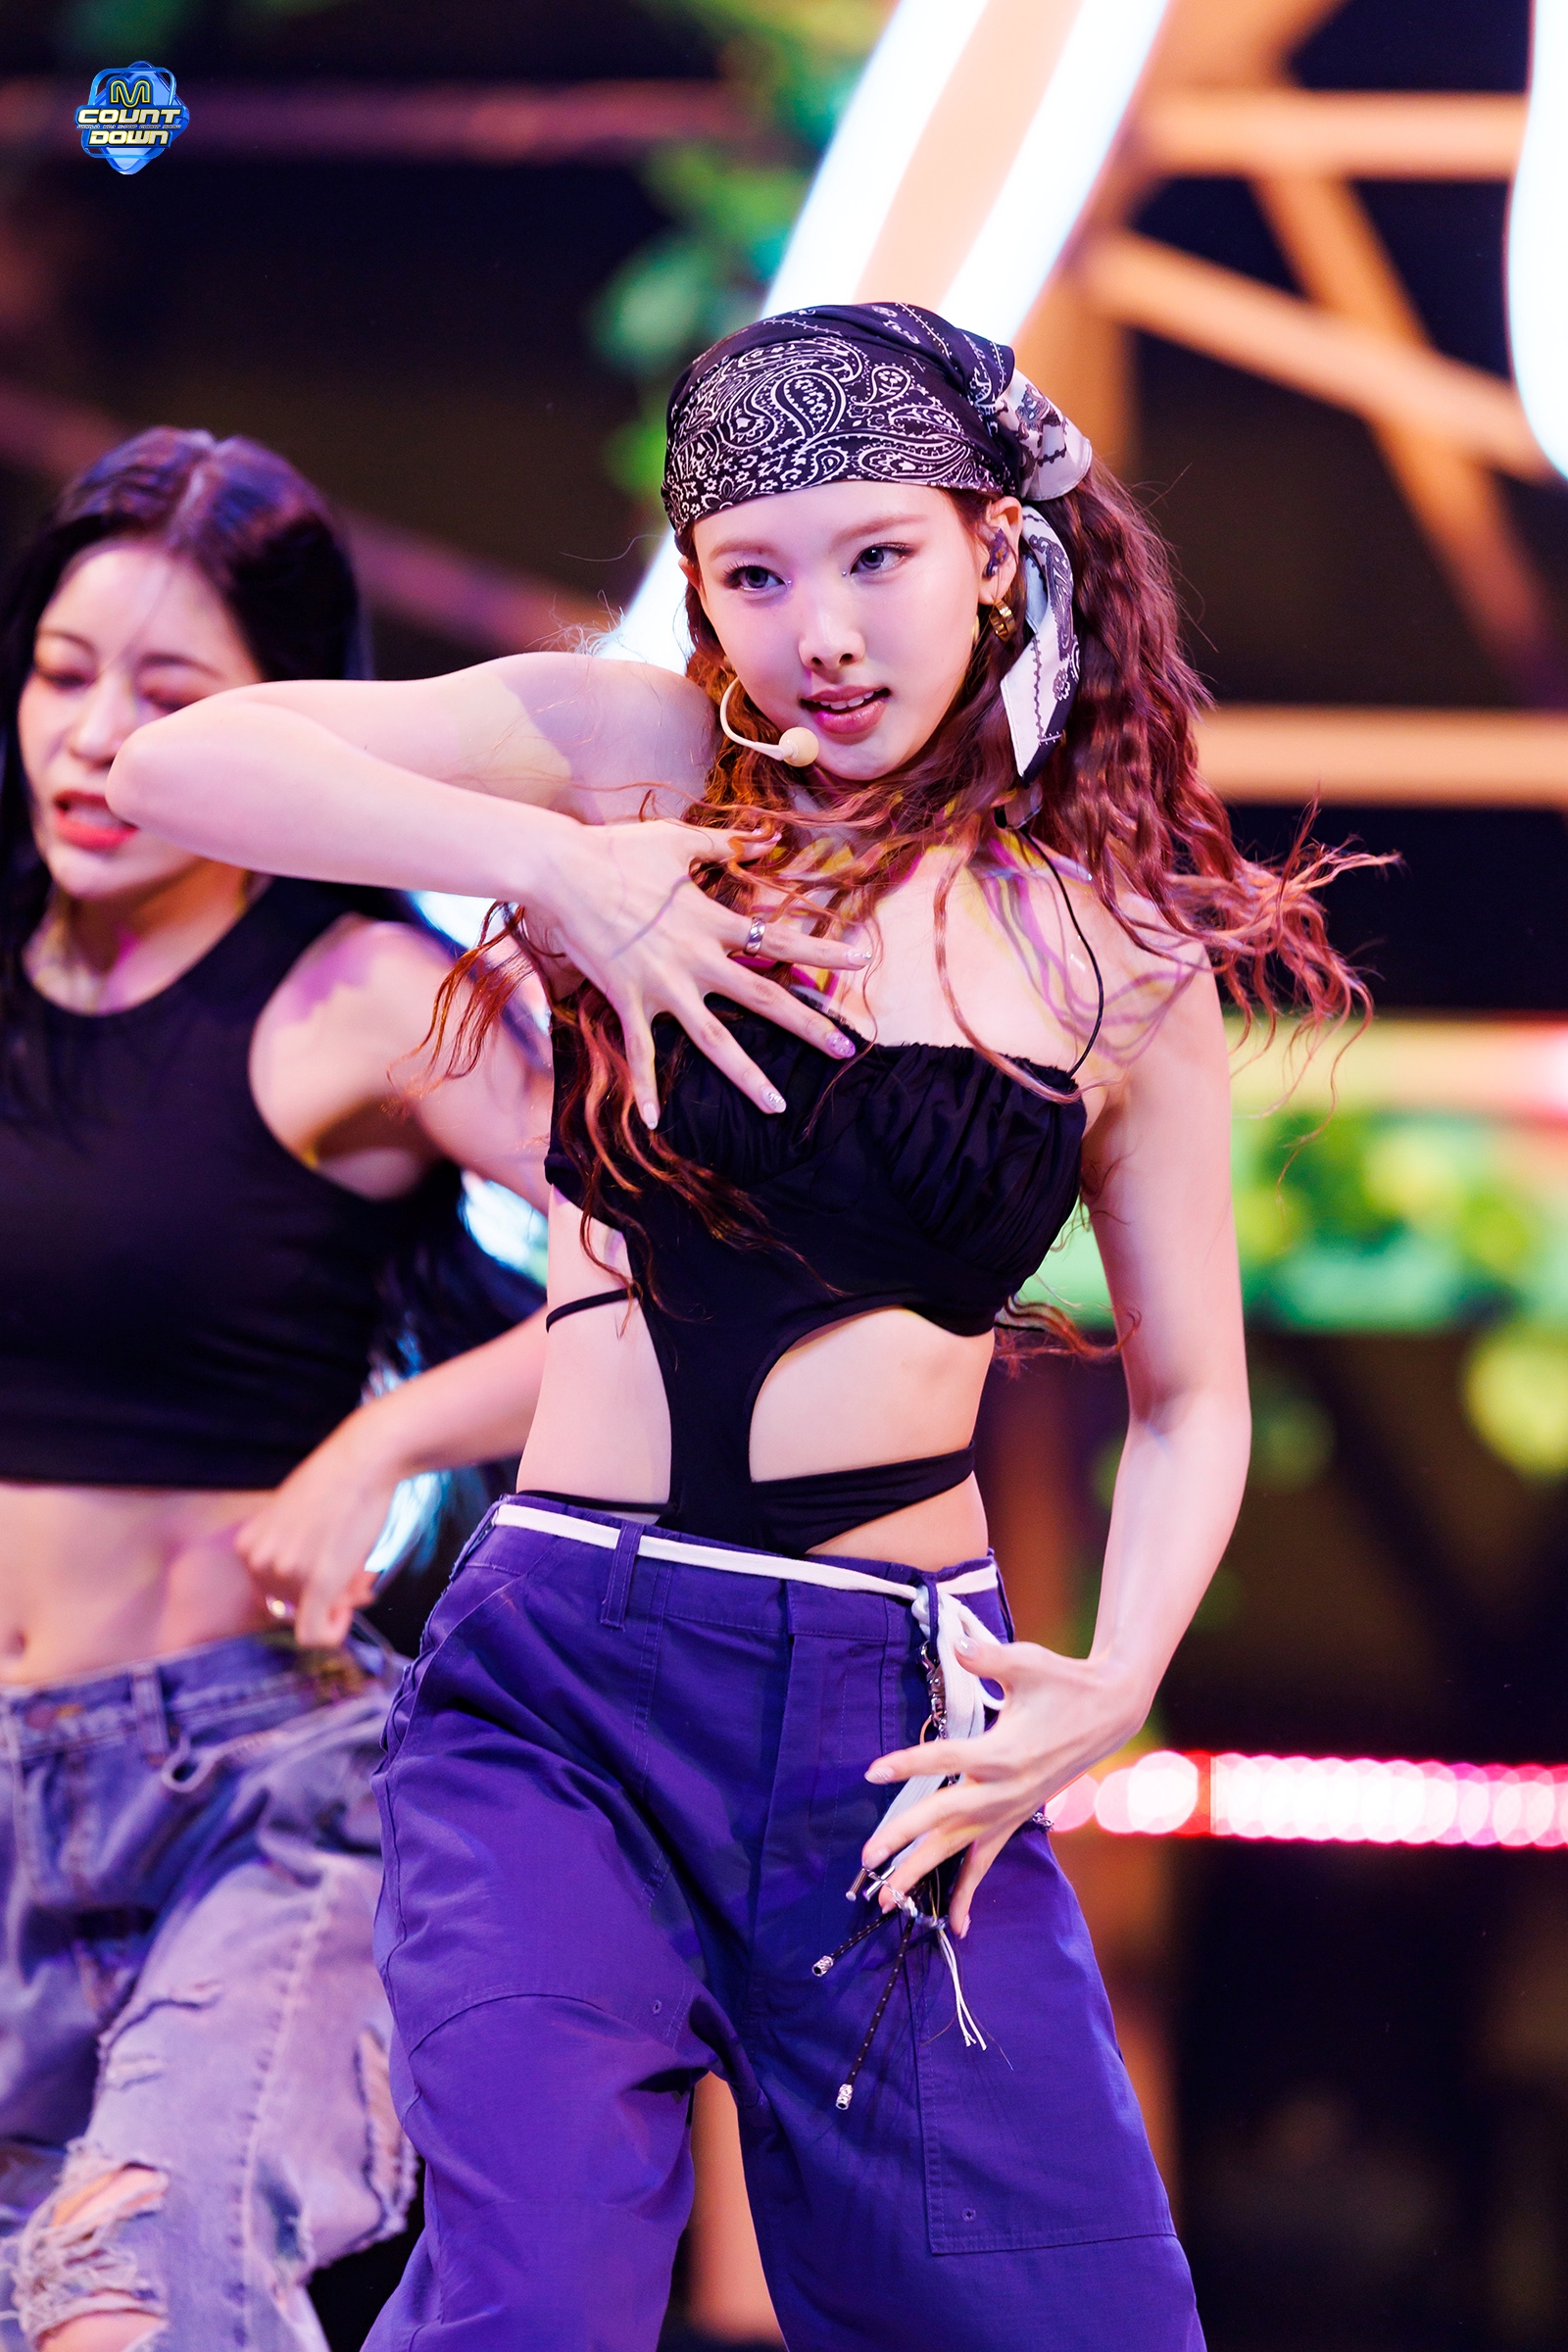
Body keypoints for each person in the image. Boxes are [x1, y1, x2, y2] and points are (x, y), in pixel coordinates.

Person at [110, 305, 1368, 2351]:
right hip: (561, 1703)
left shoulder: (1109, 957)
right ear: (697, 589)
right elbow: (181, 762)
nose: (823, 635)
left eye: (879, 557)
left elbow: (1192, 1399)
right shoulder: (637, 767)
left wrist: (1116, 1676)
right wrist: (545, 867)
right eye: (754, 576)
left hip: (898, 1738)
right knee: (533, 2303)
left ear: (994, 549)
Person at [0, 427, 556, 2352]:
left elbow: (677, 1280)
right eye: (62, 675)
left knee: (138, 2296)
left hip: (247, 1789)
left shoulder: (362, 998)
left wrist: (392, 1433)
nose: (99, 743)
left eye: (172, 699)